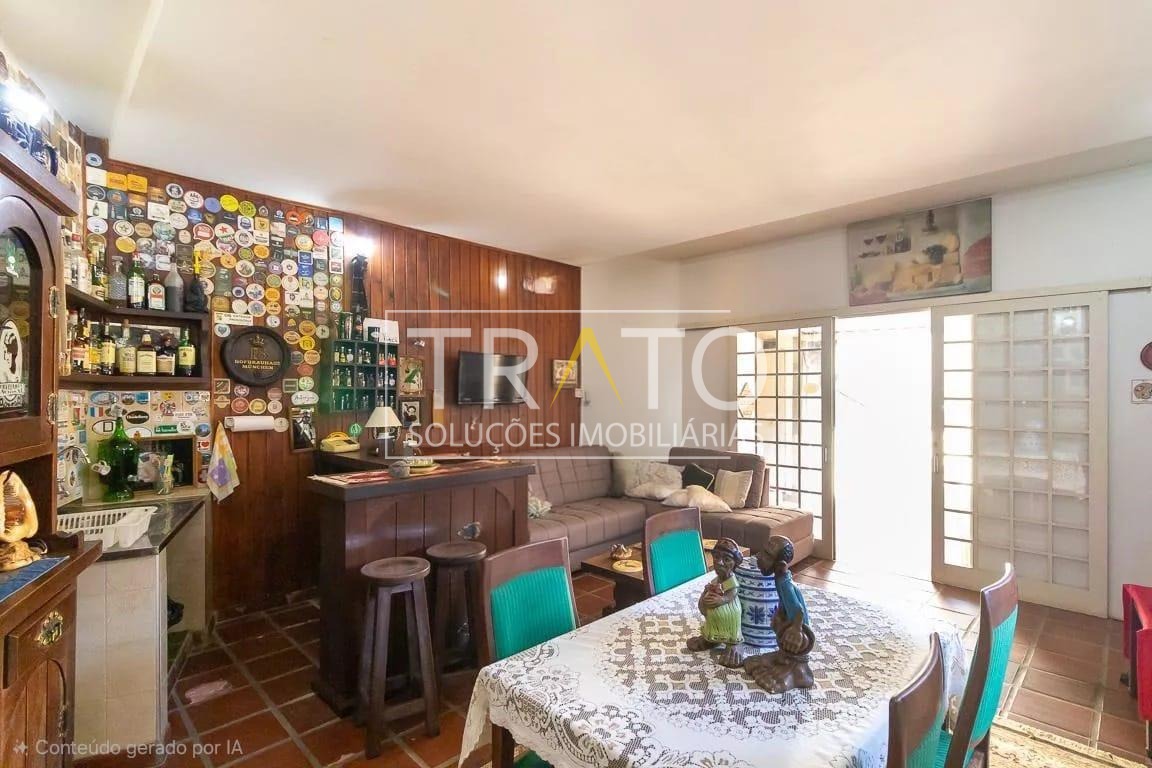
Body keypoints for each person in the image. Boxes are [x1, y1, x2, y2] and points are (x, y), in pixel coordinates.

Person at [687, 537, 744, 654]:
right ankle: (711, 639)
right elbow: (715, 585)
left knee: (728, 621)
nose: (719, 562)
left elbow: (733, 592)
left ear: (734, 564)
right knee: (712, 620)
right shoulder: (718, 578)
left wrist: (723, 599)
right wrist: (708, 590)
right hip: (715, 610)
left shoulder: (731, 580)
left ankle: (732, 643)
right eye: (716, 557)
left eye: (726, 559)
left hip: (729, 609)